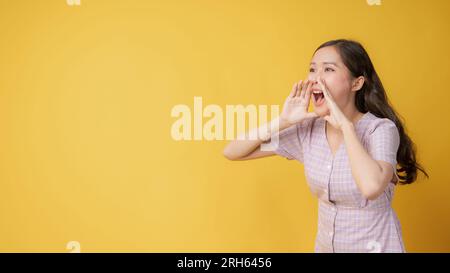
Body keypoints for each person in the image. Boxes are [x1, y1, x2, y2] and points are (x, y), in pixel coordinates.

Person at [223, 39, 428, 253]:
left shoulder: (380, 130)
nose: (316, 78)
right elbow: (233, 151)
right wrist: (283, 121)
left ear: (356, 83)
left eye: (328, 69)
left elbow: (371, 187)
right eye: (312, 69)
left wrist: (347, 128)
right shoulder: (308, 130)